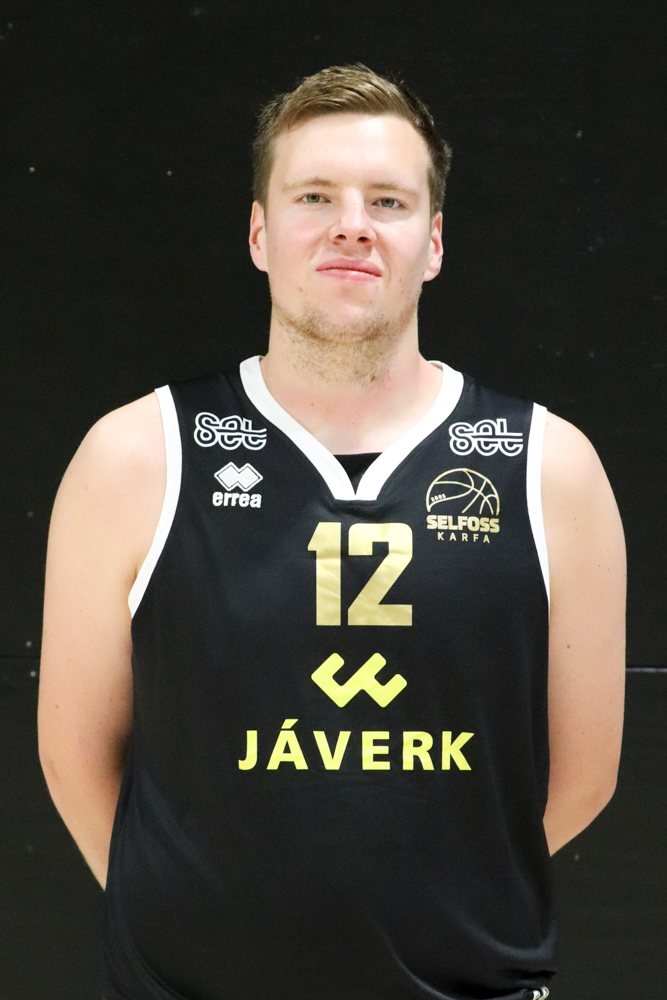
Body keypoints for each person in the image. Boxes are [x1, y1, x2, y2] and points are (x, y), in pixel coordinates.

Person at [38, 64, 626, 1000]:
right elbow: (74, 759)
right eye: (314, 196)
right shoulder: (136, 456)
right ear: (259, 233)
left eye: (387, 201)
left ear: (433, 243)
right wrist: (204, 922)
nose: (351, 224)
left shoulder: (549, 467)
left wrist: (420, 907)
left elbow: (584, 774)